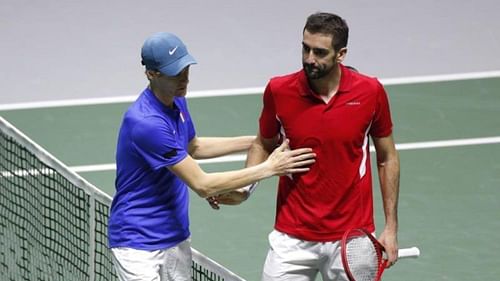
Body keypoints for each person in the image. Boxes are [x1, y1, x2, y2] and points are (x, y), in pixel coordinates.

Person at [107, 32, 316, 281]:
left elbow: (193, 146)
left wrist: (257, 141)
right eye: (175, 73)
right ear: (152, 74)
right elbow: (203, 185)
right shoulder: (146, 123)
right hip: (138, 243)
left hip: (175, 235)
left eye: (185, 68)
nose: (184, 78)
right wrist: (269, 167)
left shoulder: (175, 100)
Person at [212, 12, 400, 281]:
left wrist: (391, 228)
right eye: (305, 48)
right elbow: (263, 143)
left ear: (341, 54)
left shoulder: (370, 93)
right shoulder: (280, 90)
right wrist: (245, 188)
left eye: (320, 52)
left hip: (351, 237)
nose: (309, 58)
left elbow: (387, 157)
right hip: (292, 237)